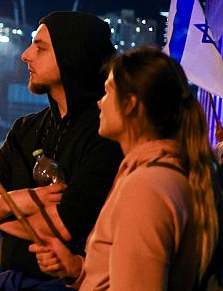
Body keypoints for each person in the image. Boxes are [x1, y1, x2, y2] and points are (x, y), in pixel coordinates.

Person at [29, 48, 219, 290]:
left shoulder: (147, 187)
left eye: (107, 92)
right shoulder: (163, 173)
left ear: (130, 105)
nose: (99, 102)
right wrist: (77, 269)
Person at [0, 11, 124, 290]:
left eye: (40, 48)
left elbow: (61, 226)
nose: (26, 55)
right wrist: (23, 200)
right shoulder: (26, 128)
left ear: (72, 56)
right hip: (4, 279)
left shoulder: (105, 131)